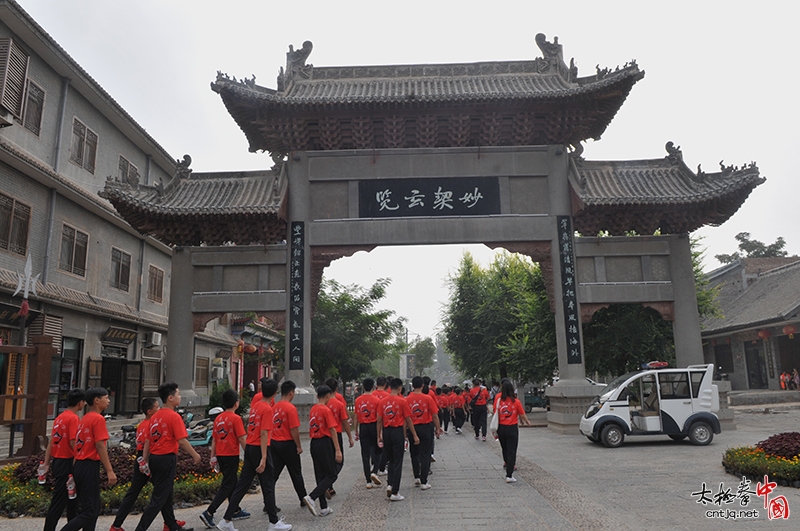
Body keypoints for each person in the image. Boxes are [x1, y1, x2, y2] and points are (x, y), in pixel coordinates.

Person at [216, 379, 289, 531]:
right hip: (259, 448)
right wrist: (263, 457)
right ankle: (274, 523)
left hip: (250, 446)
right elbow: (264, 433)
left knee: (242, 485)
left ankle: (226, 520)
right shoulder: (267, 409)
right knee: (268, 484)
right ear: (275, 394)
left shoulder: (255, 407)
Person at [112, 397, 187, 531]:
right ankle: (165, 524)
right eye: (157, 407)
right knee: (161, 493)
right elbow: (150, 442)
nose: (159, 409)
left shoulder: (142, 425)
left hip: (142, 458)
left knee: (151, 492)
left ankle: (169, 523)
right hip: (151, 458)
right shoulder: (153, 423)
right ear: (150, 411)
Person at [134, 383, 200, 531]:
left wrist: (145, 460)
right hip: (166, 458)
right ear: (170, 398)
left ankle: (172, 525)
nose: (180, 397)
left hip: (155, 459)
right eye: (178, 394)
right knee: (158, 499)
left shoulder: (155, 417)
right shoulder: (174, 417)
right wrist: (195, 455)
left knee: (166, 494)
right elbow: (182, 440)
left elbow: (148, 441)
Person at [60, 387, 117, 531]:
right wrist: (109, 470)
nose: (108, 400)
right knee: (90, 510)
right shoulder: (97, 419)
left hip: (80, 464)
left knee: (91, 508)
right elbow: (100, 446)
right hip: (89, 465)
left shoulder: (84, 418)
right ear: (97, 400)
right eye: (106, 397)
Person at [199, 389, 246, 529]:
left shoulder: (219, 418)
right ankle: (209, 512)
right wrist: (250, 454)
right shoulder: (236, 419)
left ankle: (235, 509)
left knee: (232, 481)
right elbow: (242, 438)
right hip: (231, 455)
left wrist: (212, 456)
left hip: (221, 455)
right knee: (228, 485)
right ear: (236, 403)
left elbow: (214, 439)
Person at [44, 388, 84, 531]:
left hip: (58, 461)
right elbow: (74, 442)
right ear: (80, 403)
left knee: (72, 499)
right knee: (60, 500)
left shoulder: (59, 417)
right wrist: (79, 460)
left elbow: (51, 441)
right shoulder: (73, 418)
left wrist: (46, 463)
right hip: (68, 461)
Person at [377, 378, 419, 501]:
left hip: (386, 431)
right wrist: (414, 435)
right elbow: (408, 419)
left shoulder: (383, 402)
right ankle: (395, 492)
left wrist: (379, 434)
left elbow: (379, 420)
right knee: (398, 461)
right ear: (400, 388)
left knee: (390, 460)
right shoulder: (402, 401)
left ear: (390, 387)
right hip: (397, 432)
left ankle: (390, 484)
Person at [303, 385, 342, 517]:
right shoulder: (326, 410)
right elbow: (332, 429)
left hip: (314, 443)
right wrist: (337, 449)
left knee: (320, 474)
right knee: (332, 474)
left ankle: (324, 507)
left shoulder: (313, 409)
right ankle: (312, 497)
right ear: (327, 396)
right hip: (324, 442)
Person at [269, 381, 308, 508]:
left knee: (273, 475)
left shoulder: (274, 408)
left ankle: (268, 502)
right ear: (291, 393)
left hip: (275, 443)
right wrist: (299, 446)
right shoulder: (290, 408)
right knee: (296, 473)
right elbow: (294, 430)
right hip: (288, 444)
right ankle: (303, 498)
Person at [406, 376, 441, 490]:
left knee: (414, 453)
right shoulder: (427, 398)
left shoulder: (407, 399)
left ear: (412, 386)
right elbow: (435, 415)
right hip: (425, 427)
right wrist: (438, 428)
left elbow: (405, 417)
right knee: (425, 454)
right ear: (422, 386)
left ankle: (416, 476)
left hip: (412, 428)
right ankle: (424, 481)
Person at [494, 379, 532, 482]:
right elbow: (522, 414)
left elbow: (495, 412)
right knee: (512, 450)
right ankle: (509, 474)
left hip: (501, 427)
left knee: (504, 448)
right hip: (512, 428)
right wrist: (527, 422)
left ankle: (507, 463)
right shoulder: (516, 401)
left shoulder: (498, 400)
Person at [324, 377, 354, 497]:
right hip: (336, 433)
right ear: (336, 388)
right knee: (338, 461)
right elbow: (345, 420)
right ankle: (327, 483)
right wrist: (350, 437)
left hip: (324, 436)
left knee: (328, 461)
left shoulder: (322, 402)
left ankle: (329, 486)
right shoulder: (339, 401)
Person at [353, 377, 382, 488]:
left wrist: (356, 430)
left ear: (363, 387)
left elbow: (356, 417)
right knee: (378, 450)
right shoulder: (377, 400)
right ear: (373, 387)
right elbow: (379, 418)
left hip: (363, 427)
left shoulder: (358, 400)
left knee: (365, 454)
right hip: (374, 426)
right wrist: (380, 433)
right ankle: (374, 471)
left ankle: (368, 481)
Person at [372, 377, 390, 475]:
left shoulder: (372, 395)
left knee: (373, 444)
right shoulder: (387, 396)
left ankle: (374, 463)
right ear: (385, 384)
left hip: (372, 422)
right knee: (383, 445)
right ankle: (382, 467)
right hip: (384, 422)